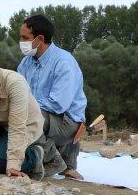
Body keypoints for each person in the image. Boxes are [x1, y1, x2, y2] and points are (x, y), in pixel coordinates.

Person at [16, 14, 88, 180]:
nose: (21, 41)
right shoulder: (26, 63)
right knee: (17, 112)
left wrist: (23, 106)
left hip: (67, 121)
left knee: (27, 114)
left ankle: (54, 160)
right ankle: (48, 158)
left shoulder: (64, 62)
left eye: (24, 37)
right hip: (44, 116)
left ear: (39, 39)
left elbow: (58, 104)